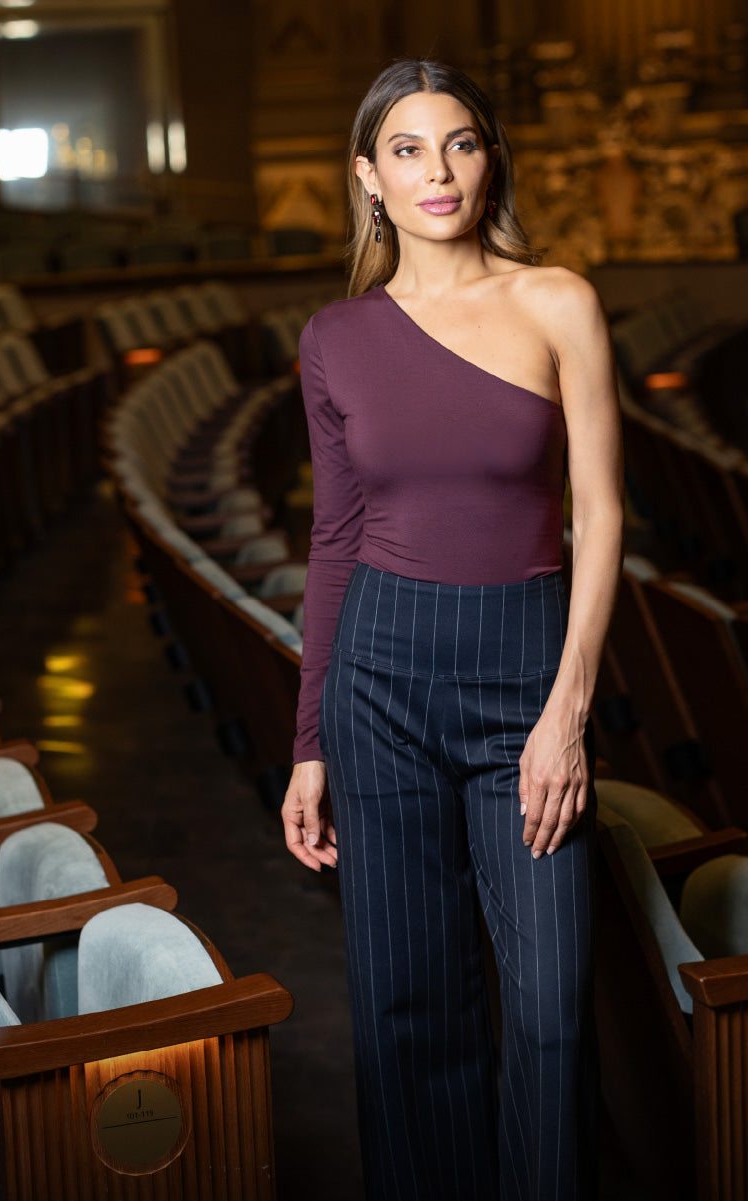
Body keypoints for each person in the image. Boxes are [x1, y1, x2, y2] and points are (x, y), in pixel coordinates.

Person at [281, 57, 624, 1201]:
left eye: (462, 143)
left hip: (527, 670)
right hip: (376, 677)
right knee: (403, 1007)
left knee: (550, 1010)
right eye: (410, 150)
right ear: (369, 179)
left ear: (491, 158)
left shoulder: (557, 299)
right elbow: (334, 539)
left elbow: (603, 512)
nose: (440, 171)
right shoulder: (333, 336)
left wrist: (566, 713)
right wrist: (308, 740)